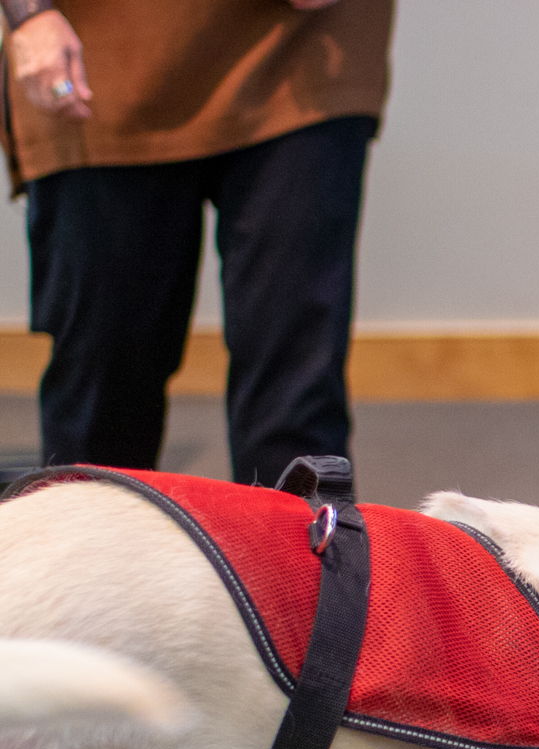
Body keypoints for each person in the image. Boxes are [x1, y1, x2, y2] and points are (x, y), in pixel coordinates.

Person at [2, 0, 394, 486]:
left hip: (306, 49)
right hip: (98, 53)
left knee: (296, 406)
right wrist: (29, 14)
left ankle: (298, 561)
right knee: (104, 400)